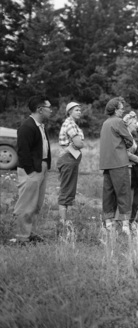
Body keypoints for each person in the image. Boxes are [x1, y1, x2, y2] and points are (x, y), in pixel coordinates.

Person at [11, 95, 52, 244]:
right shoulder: (27, 127)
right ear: (40, 109)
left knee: (36, 204)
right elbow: (22, 151)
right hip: (32, 170)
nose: (51, 111)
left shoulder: (40, 126)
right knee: (26, 205)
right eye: (49, 108)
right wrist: (30, 171)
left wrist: (45, 165)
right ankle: (22, 237)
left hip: (41, 167)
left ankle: (31, 233)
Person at [99, 97, 134, 235]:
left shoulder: (105, 123)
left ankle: (108, 223)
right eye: (120, 108)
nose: (123, 110)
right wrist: (124, 146)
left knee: (108, 193)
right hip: (119, 162)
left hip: (106, 163)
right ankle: (125, 226)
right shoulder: (118, 122)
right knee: (123, 192)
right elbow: (130, 140)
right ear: (114, 109)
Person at [56, 102, 84, 230]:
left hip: (70, 159)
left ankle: (64, 219)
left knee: (69, 188)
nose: (79, 112)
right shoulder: (70, 123)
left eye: (79, 110)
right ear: (69, 112)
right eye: (76, 110)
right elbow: (78, 143)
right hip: (68, 159)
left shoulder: (72, 123)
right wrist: (79, 143)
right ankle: (62, 221)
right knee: (66, 189)